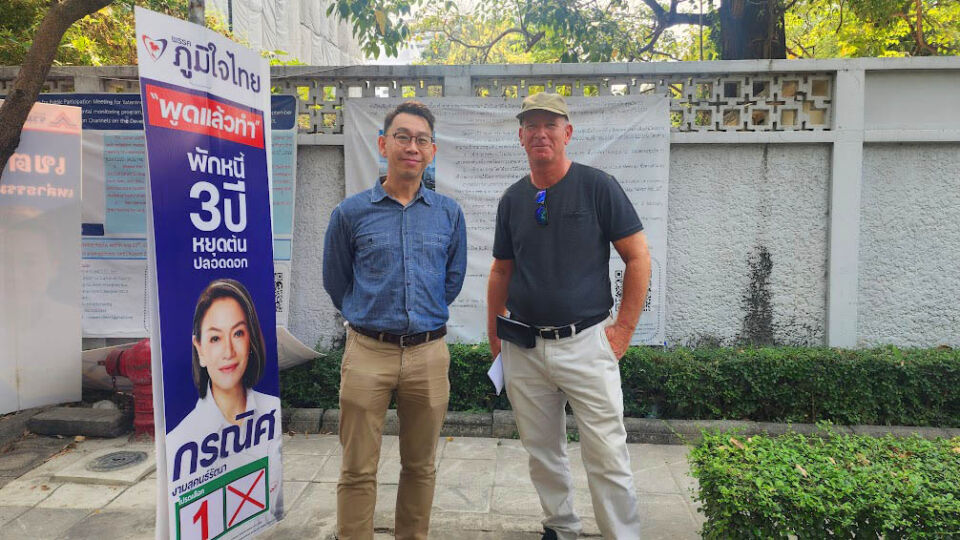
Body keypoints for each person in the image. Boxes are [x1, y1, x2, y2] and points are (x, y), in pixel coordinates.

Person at [486, 92, 652, 540]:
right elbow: (501, 269)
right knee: (542, 451)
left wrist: (624, 331)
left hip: (587, 343)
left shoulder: (598, 186)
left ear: (567, 133)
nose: (541, 133)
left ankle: (622, 534)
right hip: (523, 346)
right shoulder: (512, 200)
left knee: (607, 452)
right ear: (521, 137)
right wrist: (493, 335)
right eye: (532, 125)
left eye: (550, 124)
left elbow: (637, 257)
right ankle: (560, 528)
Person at [323, 100, 467, 540]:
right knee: (357, 468)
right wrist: (368, 317)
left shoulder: (448, 213)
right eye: (402, 137)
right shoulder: (350, 213)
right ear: (383, 145)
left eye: (421, 139)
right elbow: (337, 281)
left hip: (428, 354)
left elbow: (452, 279)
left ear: (432, 151)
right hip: (368, 352)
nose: (412, 146)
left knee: (421, 466)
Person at [166, 278, 283, 523]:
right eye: (216, 338)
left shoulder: (272, 412)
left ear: (250, 340)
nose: (229, 351)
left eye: (238, 333)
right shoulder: (181, 440)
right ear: (199, 348)